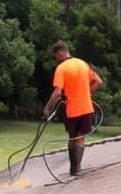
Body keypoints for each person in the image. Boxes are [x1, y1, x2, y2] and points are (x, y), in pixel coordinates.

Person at [42, 41, 103, 176]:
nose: (56, 60)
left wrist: (47, 109)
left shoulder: (62, 68)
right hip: (87, 108)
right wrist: (86, 94)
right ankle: (77, 169)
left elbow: (58, 93)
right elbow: (98, 81)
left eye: (55, 57)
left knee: (72, 138)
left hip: (72, 109)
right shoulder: (82, 64)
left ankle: (72, 170)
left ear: (60, 53)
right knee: (80, 137)